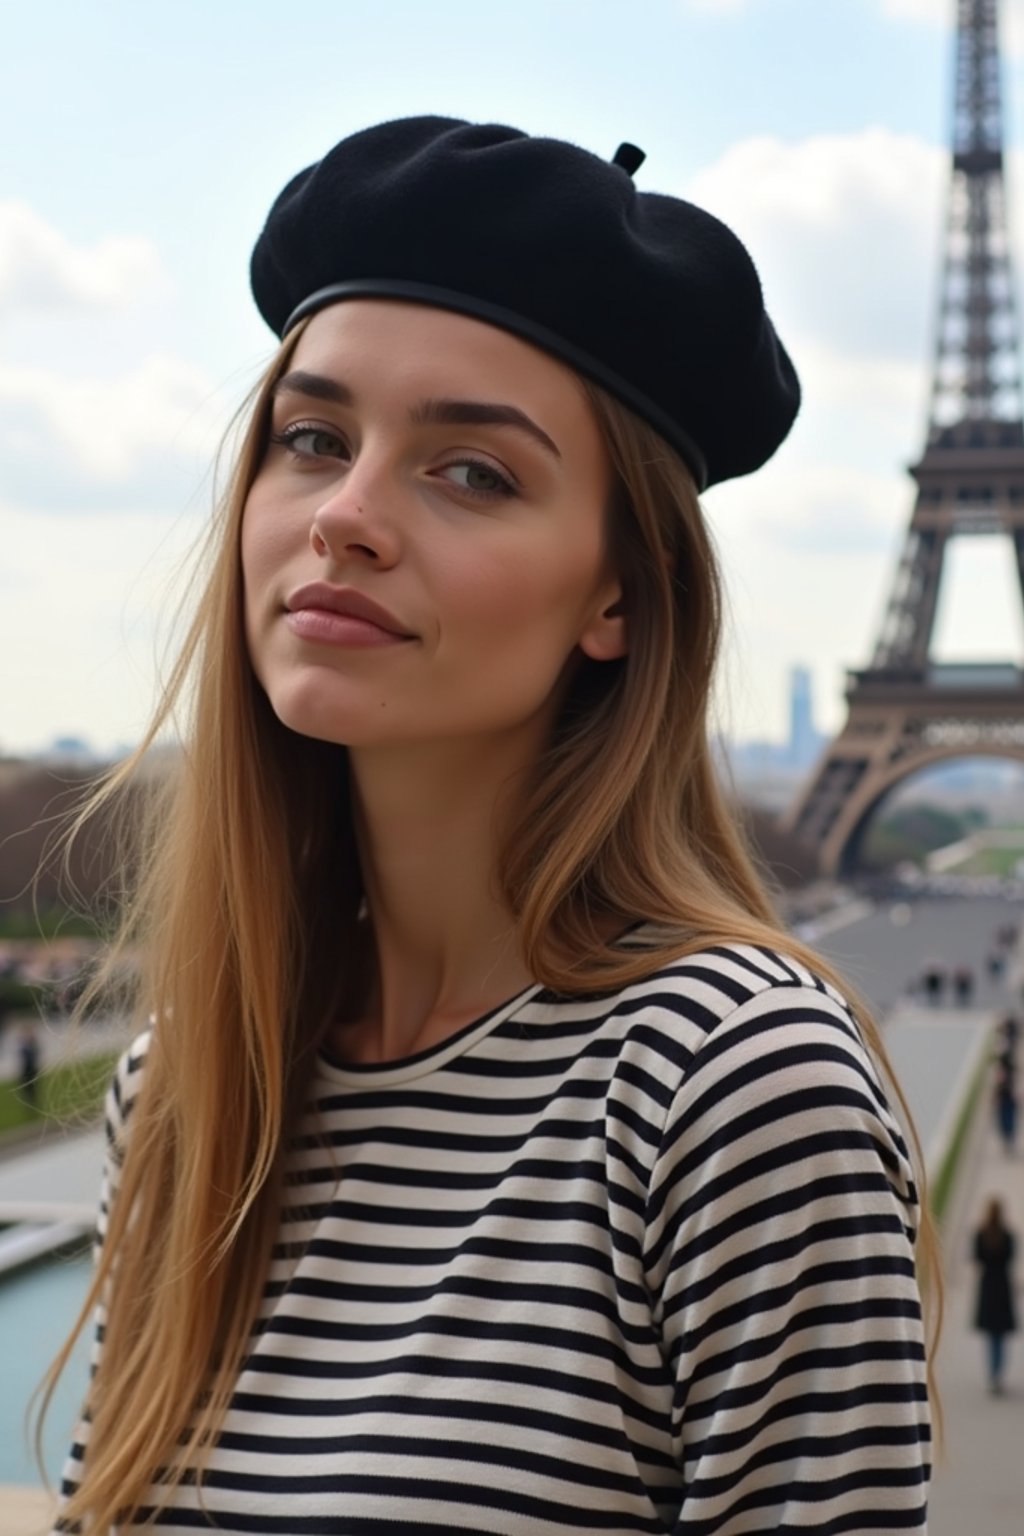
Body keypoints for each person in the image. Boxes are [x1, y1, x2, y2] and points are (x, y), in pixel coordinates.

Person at [46, 117, 936, 1533]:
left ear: (620, 598)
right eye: (313, 437)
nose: (343, 514)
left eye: (473, 472)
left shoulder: (732, 1087)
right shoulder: (180, 1090)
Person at [973, 1197, 1017, 1394]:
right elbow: (1011, 1258)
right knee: (1000, 1335)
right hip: (1003, 1286)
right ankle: (998, 1373)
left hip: (988, 1286)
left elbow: (977, 1258)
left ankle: (993, 1373)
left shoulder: (981, 1234)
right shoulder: (1008, 1235)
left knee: (992, 1335)